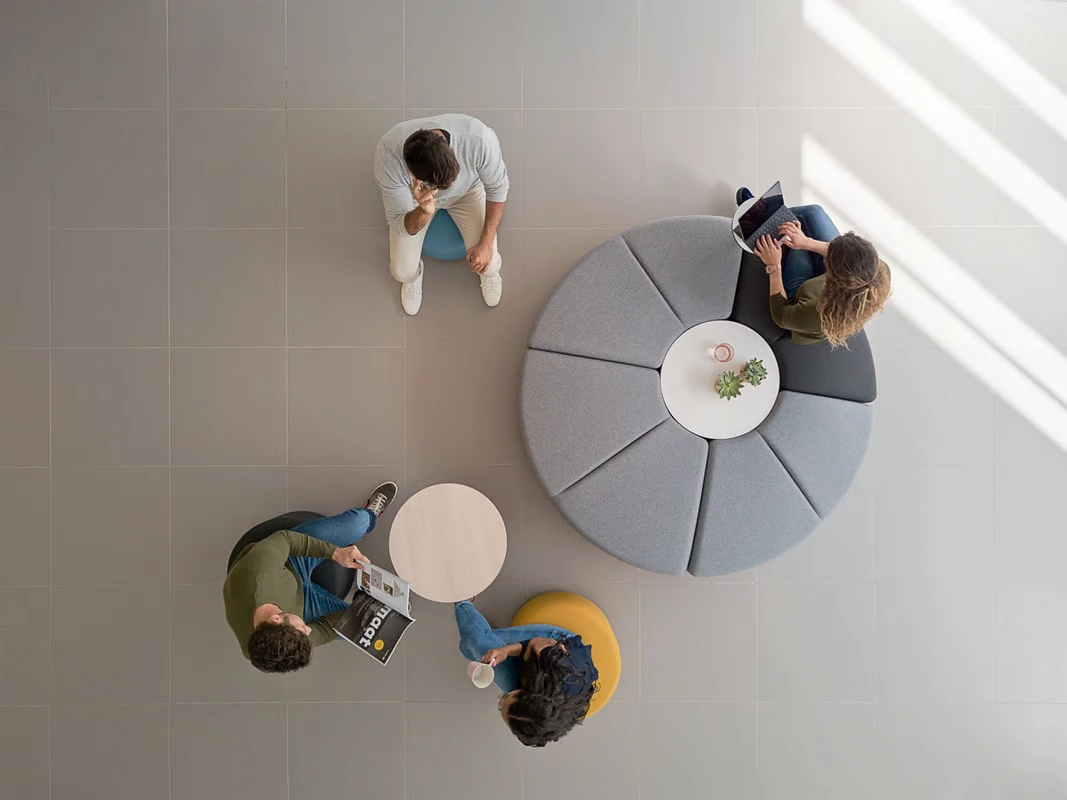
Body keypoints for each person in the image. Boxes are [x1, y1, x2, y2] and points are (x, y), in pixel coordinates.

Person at [223, 481, 398, 673]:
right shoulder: (268, 650)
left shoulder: (260, 572)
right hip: (300, 604)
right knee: (365, 627)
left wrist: (335, 553)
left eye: (302, 630)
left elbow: (286, 539)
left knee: (357, 524)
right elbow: (321, 632)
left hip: (289, 563)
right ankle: (364, 599)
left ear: (276, 619)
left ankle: (370, 515)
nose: (308, 630)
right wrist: (367, 612)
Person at [374, 114, 509, 316]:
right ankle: (415, 276)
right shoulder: (388, 157)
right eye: (444, 184)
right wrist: (423, 211)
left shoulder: (479, 139)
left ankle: (489, 275)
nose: (451, 186)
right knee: (402, 272)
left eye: (453, 177)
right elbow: (398, 225)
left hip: (469, 192)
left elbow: (498, 188)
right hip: (417, 199)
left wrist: (486, 243)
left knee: (489, 265)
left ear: (451, 150)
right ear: (411, 173)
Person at [736, 188, 891, 347]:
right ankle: (764, 218)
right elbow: (832, 249)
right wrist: (805, 242)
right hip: (832, 279)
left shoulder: (819, 314)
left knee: (795, 229)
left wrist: (774, 266)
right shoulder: (878, 269)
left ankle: (756, 224)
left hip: (801, 294)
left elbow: (780, 315)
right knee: (813, 213)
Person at [454, 599, 599, 747]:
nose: (500, 702)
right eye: (507, 697)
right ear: (527, 693)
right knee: (477, 642)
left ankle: (486, 634)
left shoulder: (547, 721)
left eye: (500, 707)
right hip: (555, 645)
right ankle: (460, 599)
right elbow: (534, 644)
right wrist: (505, 650)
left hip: (542, 678)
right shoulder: (560, 667)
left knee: (468, 649)